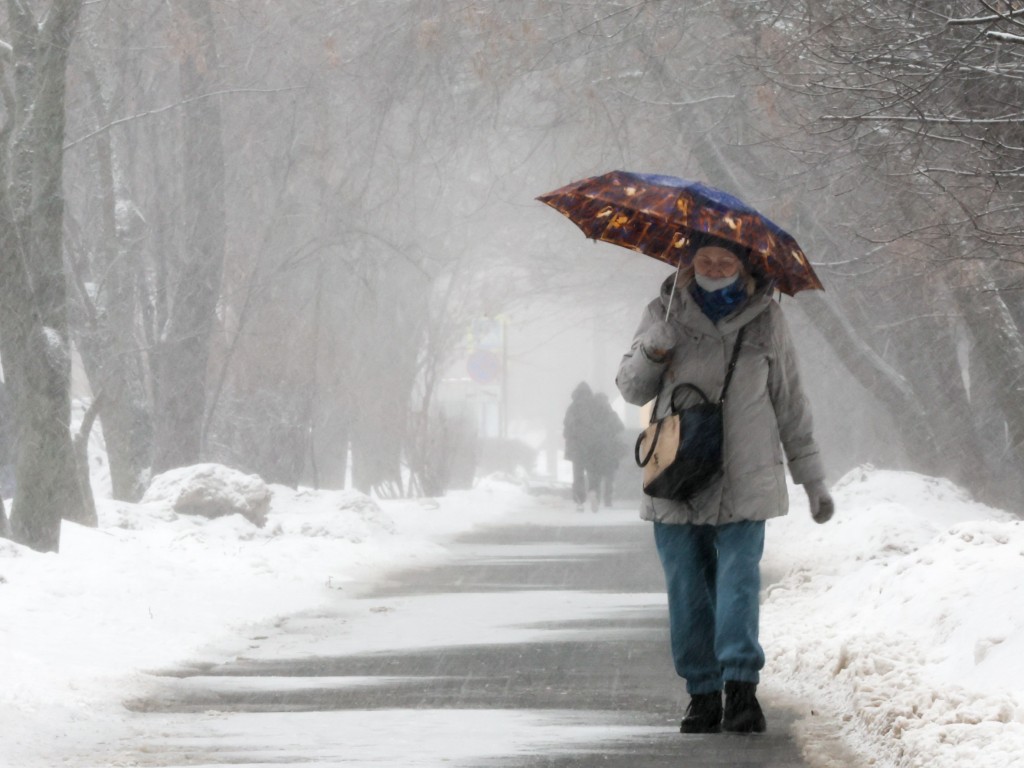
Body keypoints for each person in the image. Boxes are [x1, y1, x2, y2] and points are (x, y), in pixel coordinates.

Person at [615, 232, 834, 735]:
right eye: (705, 259)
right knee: (687, 588)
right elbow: (630, 389)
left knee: (737, 585)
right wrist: (653, 350)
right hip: (677, 473)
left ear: (744, 266)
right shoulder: (662, 311)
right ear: (690, 263)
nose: (714, 267)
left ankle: (740, 688)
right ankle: (701, 693)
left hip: (746, 471)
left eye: (724, 260)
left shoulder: (768, 320)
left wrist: (812, 480)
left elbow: (790, 402)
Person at [563, 381, 597, 512]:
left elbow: (567, 427)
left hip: (576, 446)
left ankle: (579, 501)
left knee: (578, 474)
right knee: (592, 472)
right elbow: (599, 425)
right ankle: (593, 492)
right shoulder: (593, 406)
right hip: (591, 445)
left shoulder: (573, 407)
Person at [588, 392, 625, 508]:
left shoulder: (590, 414)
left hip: (594, 449)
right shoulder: (610, 413)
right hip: (609, 449)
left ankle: (595, 497)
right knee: (609, 476)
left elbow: (586, 430)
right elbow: (620, 427)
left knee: (595, 476)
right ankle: (608, 501)